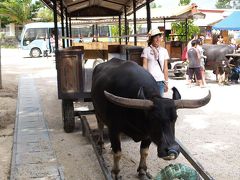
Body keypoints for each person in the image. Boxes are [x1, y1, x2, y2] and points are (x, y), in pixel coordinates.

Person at [141, 28, 169, 96]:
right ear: (151, 39)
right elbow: (144, 67)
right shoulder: (146, 50)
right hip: (150, 81)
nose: (158, 39)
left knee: (160, 102)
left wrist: (166, 81)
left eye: (159, 37)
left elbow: (165, 68)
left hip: (160, 81)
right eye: (155, 37)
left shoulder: (164, 51)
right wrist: (144, 80)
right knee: (149, 102)